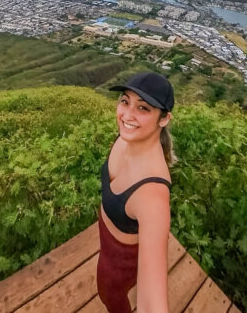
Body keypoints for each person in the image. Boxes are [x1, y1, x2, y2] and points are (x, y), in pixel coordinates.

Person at [97, 71, 176, 313]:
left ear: (163, 119)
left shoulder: (152, 195)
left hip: (122, 264)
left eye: (143, 108)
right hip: (107, 251)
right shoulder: (126, 139)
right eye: (124, 101)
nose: (127, 115)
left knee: (113, 297)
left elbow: (153, 304)